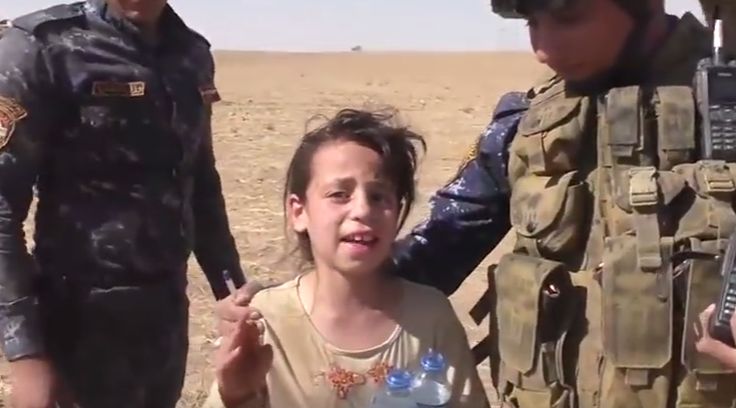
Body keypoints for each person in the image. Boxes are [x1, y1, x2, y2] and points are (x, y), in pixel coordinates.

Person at [216, 0, 736, 407]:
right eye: (531, 23)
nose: (544, 48)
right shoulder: (530, 123)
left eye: (568, 17)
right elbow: (436, 249)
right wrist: (286, 307)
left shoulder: (723, 104)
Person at [0, 0, 248, 406]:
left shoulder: (191, 52)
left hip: (164, 318)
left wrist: (231, 290)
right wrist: (26, 354)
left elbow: (200, 181)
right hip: (75, 324)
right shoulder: (42, 46)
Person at [204, 108, 489, 408]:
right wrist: (237, 395)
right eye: (339, 194)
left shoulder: (431, 317)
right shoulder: (264, 322)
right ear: (298, 212)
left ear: (398, 212)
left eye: (378, 196)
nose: (363, 210)